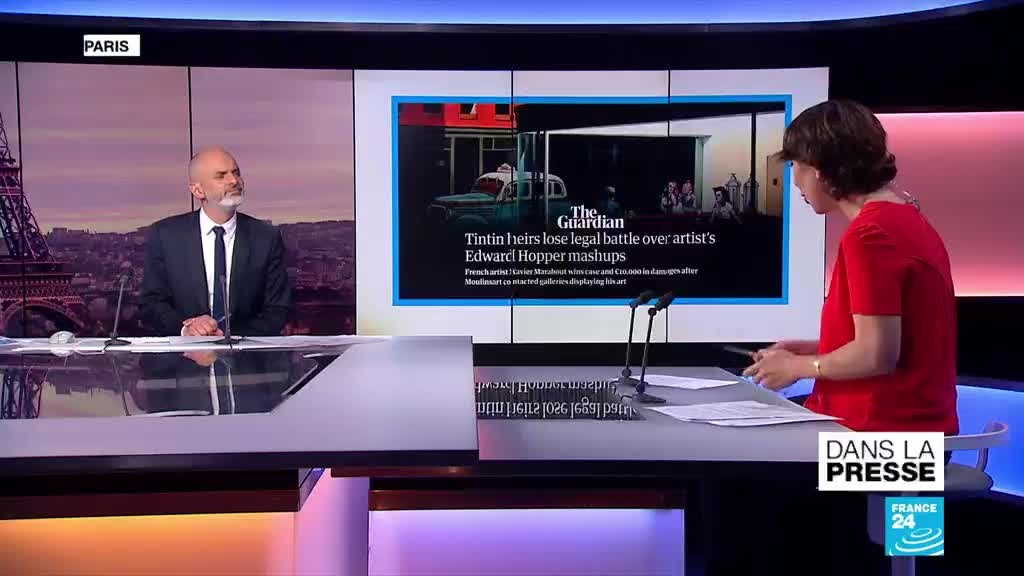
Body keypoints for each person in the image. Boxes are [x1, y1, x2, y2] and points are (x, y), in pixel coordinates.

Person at [743, 100, 958, 435]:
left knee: (741, 454)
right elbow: (897, 343)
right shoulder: (906, 219)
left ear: (818, 168)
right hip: (919, 437)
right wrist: (816, 349)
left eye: (795, 165)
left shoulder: (870, 235)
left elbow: (876, 356)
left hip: (880, 443)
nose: (794, 181)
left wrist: (798, 367)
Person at [140, 147, 291, 337]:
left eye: (236, 172)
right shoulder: (165, 235)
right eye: (221, 176)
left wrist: (228, 337)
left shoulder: (266, 237)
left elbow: (278, 308)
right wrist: (186, 329)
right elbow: (151, 303)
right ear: (198, 190)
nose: (234, 181)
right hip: (184, 351)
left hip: (245, 350)